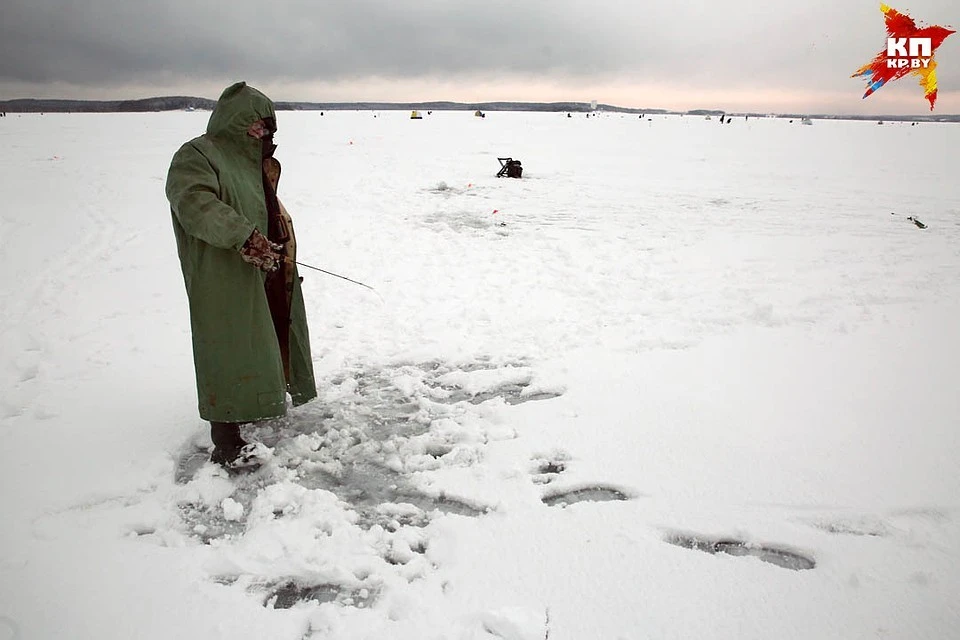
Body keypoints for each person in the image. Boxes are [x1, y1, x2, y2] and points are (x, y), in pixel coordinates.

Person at [165, 82, 317, 469]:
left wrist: (273, 244)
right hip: (223, 273)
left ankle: (254, 402)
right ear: (235, 121)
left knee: (264, 338)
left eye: (267, 127)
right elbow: (194, 202)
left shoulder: (253, 161)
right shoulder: (198, 154)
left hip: (266, 265)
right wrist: (244, 237)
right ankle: (226, 441)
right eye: (255, 125)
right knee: (227, 344)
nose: (262, 133)